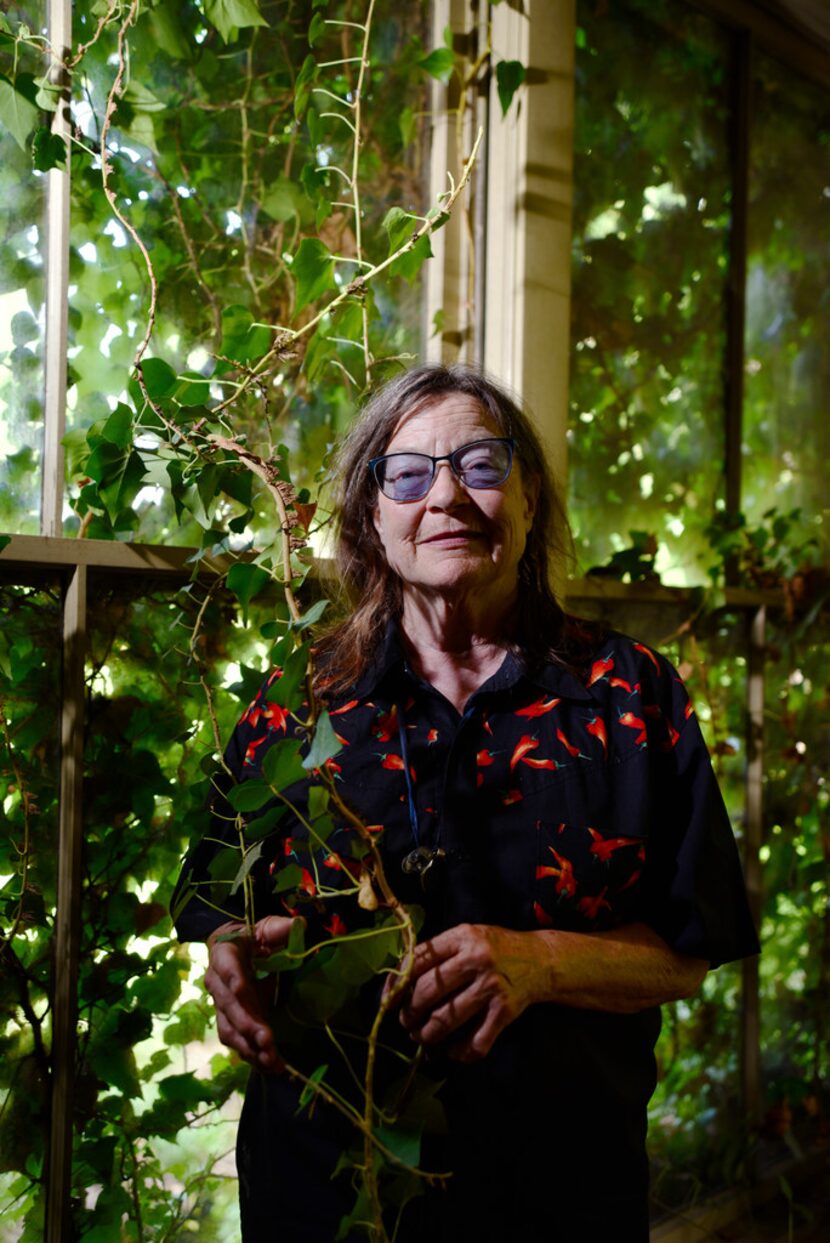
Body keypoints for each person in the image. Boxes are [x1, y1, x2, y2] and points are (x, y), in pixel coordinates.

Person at [172, 363, 759, 1242]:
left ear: (529, 499)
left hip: (560, 1189)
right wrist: (237, 962)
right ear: (373, 518)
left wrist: (541, 963)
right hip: (328, 1192)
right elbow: (221, 913)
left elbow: (686, 952)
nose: (446, 495)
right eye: (408, 474)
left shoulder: (630, 697)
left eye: (481, 464)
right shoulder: (296, 704)